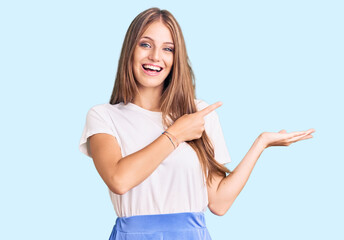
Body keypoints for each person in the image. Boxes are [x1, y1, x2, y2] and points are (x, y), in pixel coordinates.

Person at [78, 7, 315, 240]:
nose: (155, 56)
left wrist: (260, 143)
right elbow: (119, 180)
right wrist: (175, 134)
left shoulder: (199, 114)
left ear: (176, 58)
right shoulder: (103, 116)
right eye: (145, 44)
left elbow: (219, 203)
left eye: (168, 49)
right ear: (130, 50)